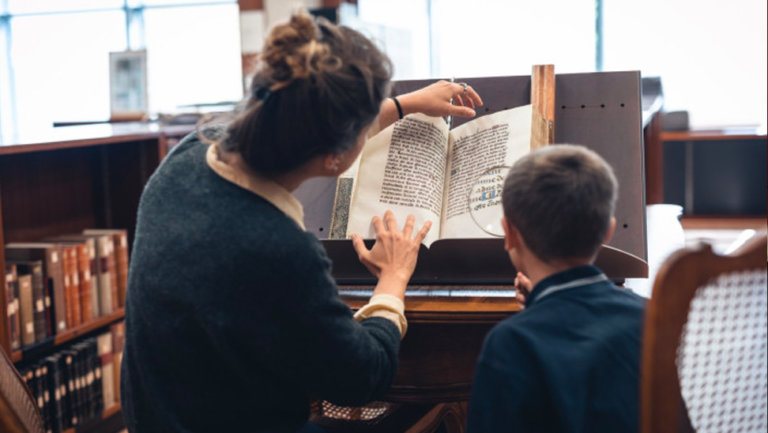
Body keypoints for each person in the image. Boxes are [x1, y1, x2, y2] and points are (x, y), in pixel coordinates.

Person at [120, 9, 483, 433]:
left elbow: (296, 118)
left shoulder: (188, 156)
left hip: (157, 413)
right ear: (336, 158)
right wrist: (392, 281)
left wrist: (401, 106)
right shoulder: (277, 248)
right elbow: (360, 379)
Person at [466, 145, 646, 433]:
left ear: (509, 233)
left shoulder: (511, 343)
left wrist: (538, 317)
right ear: (607, 233)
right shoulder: (650, 315)